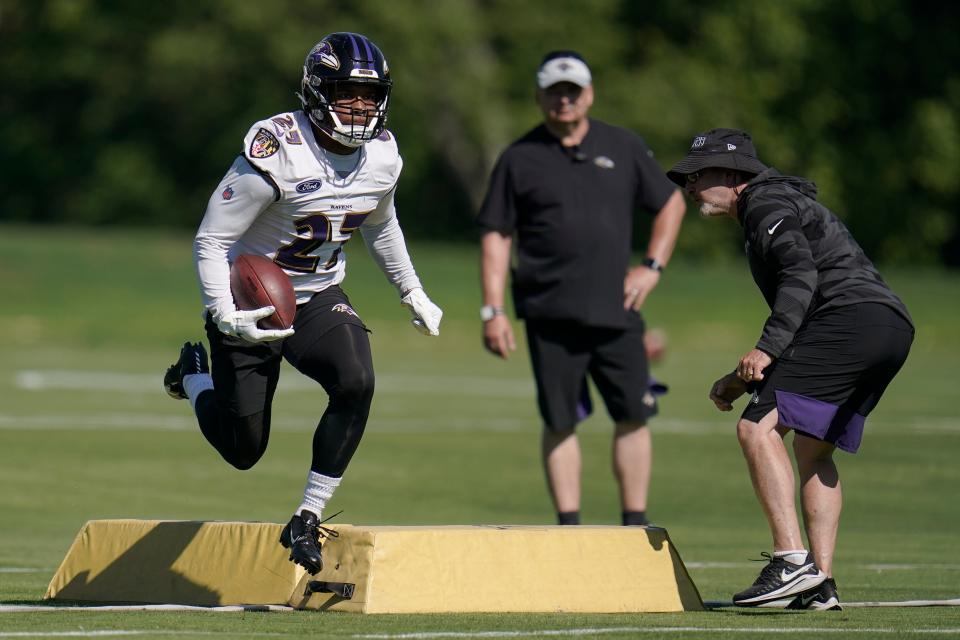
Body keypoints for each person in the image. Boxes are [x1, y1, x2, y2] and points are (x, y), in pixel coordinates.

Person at [163, 32, 442, 575]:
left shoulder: (383, 155)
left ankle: (308, 516)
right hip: (251, 299)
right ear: (317, 90)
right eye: (346, 92)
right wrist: (223, 313)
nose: (360, 105)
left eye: (370, 93)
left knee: (357, 380)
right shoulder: (279, 149)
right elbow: (212, 241)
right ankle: (194, 377)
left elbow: (382, 227)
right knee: (243, 449)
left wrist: (411, 290)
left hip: (317, 296)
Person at [667, 128, 914, 610]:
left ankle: (790, 560)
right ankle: (819, 583)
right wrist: (741, 377)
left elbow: (801, 276)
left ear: (734, 175)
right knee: (813, 450)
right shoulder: (774, 202)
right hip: (889, 327)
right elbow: (809, 303)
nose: (691, 187)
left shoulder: (764, 204)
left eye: (699, 175)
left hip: (849, 319)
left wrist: (766, 348)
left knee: (757, 429)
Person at [477, 50, 686, 527]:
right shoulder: (519, 158)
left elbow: (671, 202)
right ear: (540, 97)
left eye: (572, 92)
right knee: (560, 420)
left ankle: (635, 522)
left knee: (633, 413)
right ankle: (568, 527)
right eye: (555, 92)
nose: (564, 100)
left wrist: (652, 266)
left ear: (589, 95)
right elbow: (496, 235)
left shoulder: (624, 146)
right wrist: (494, 311)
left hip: (618, 309)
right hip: (550, 313)